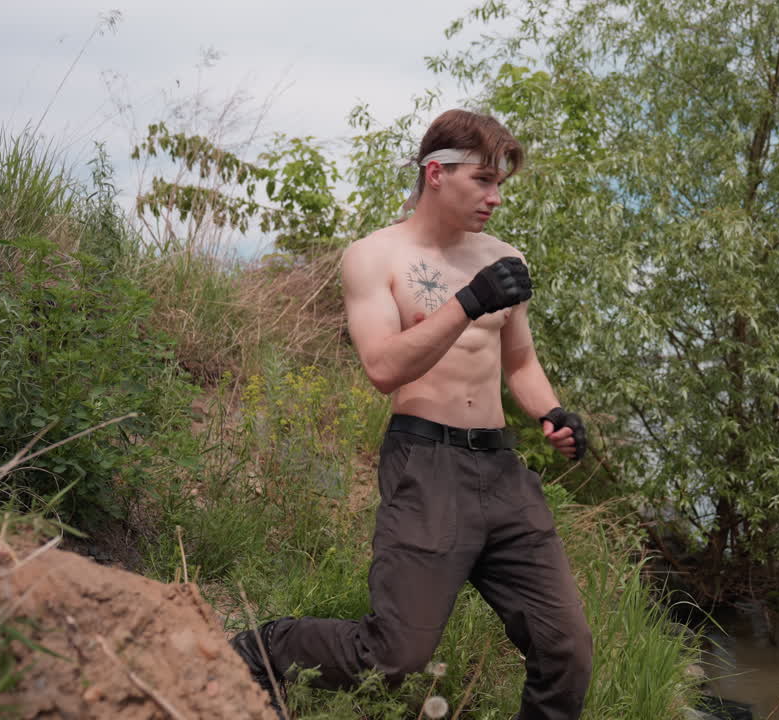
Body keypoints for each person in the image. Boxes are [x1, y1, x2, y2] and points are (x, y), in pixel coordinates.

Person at [230, 109, 593, 720]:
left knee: (567, 650)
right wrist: (469, 301)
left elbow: (521, 361)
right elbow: (382, 368)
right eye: (483, 180)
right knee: (394, 657)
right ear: (435, 173)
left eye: (501, 183)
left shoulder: (506, 256)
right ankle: (266, 649)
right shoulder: (376, 256)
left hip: (503, 472)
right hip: (426, 467)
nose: (496, 197)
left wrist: (552, 413)